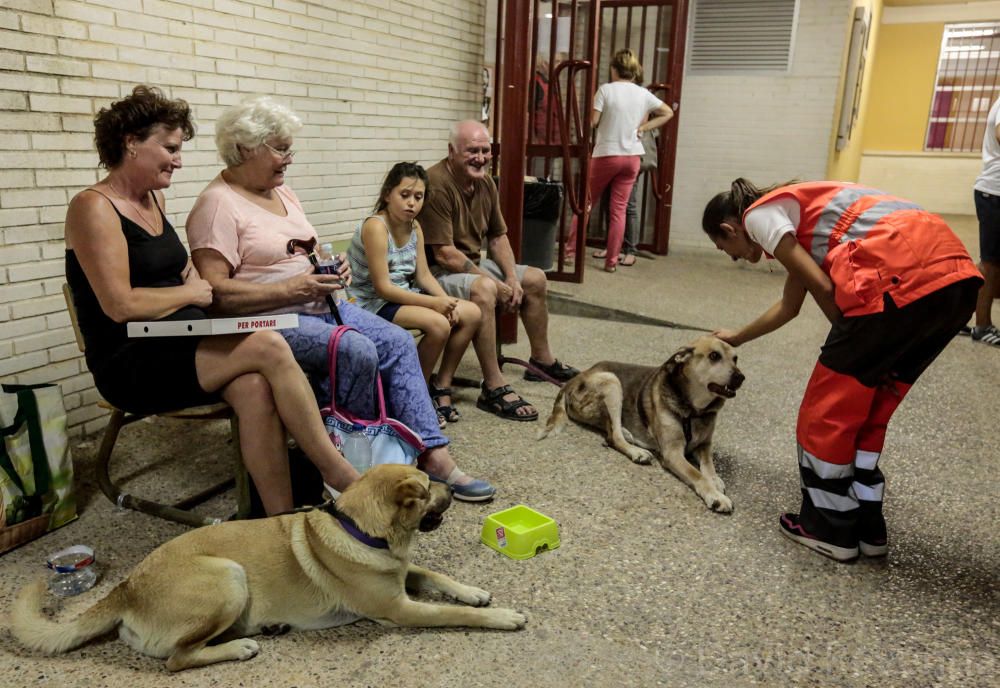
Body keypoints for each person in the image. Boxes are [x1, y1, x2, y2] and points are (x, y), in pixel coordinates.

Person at [64, 85, 360, 516]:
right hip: (131, 358)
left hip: (179, 338)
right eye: (169, 148)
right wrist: (195, 291)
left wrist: (198, 285)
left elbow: (179, 270)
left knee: (254, 385)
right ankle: (337, 473)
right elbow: (120, 305)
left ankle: (276, 521)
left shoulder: (153, 198)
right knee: (269, 342)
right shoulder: (93, 207)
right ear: (130, 142)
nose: (179, 160)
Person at [186, 97, 495, 502]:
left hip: (321, 302)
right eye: (280, 148)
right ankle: (358, 471)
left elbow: (304, 252)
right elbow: (216, 294)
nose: (289, 158)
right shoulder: (216, 205)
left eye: (288, 148)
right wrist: (290, 289)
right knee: (356, 350)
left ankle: (434, 454)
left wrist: (335, 268)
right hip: (272, 319)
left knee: (398, 342)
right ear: (245, 148)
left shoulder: (283, 193)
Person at [702, 178, 982, 562]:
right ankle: (868, 527)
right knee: (870, 408)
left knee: (826, 414)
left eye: (726, 248)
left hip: (898, 280)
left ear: (730, 229)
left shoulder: (759, 215)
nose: (733, 256)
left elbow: (821, 286)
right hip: (955, 283)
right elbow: (790, 306)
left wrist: (853, 340)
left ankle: (829, 529)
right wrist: (738, 337)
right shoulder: (799, 216)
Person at [418, 120, 580, 423]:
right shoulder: (436, 184)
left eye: (485, 150)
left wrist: (510, 278)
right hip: (436, 274)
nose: (480, 158)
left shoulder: (485, 182)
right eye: (471, 151)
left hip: (469, 265)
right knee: (486, 289)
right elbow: (445, 255)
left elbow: (497, 236)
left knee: (534, 278)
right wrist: (495, 282)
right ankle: (493, 385)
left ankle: (542, 361)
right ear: (452, 151)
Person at [346, 162, 481, 425]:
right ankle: (411, 395)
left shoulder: (415, 227)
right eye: (404, 195)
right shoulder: (376, 226)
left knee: (472, 313)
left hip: (402, 294)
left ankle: (438, 384)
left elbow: (424, 275)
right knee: (438, 325)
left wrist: (447, 301)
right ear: (388, 194)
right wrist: (435, 304)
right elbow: (383, 287)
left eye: (418, 197)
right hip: (370, 302)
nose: (411, 204)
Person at [566, 49, 672, 272]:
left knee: (585, 203)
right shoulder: (643, 94)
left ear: (614, 69)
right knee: (619, 210)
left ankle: (570, 252)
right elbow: (667, 112)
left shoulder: (605, 90)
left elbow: (593, 122)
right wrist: (643, 127)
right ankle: (612, 261)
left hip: (606, 154)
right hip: (632, 156)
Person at [970, 95, 1000, 347]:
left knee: (994, 262)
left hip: (994, 192)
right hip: (995, 192)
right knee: (990, 262)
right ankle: (981, 325)